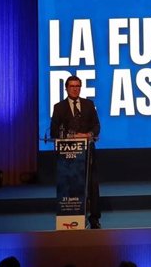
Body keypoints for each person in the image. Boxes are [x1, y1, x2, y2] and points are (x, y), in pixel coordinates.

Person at [50, 74, 102, 229]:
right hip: (68, 156)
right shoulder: (59, 107)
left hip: (87, 151)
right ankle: (72, 218)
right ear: (66, 88)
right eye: (72, 86)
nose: (75, 89)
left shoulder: (88, 105)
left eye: (77, 86)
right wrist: (73, 136)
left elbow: (96, 126)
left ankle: (94, 218)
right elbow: (54, 132)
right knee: (69, 185)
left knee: (92, 185)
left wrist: (89, 135)